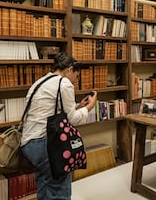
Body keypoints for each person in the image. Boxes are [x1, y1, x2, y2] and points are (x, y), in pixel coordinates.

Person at [21, 52, 97, 200]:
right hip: (46, 145)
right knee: (59, 191)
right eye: (76, 75)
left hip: (29, 144)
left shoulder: (40, 82)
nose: (76, 80)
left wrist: (78, 106)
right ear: (69, 69)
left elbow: (51, 111)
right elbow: (73, 120)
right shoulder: (64, 83)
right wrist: (89, 107)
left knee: (45, 187)